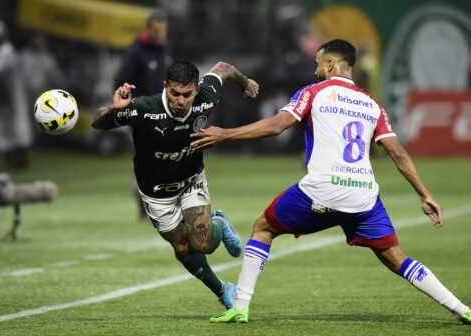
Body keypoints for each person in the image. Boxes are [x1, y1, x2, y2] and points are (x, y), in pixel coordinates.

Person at [191, 39, 471, 324]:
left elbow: (276, 125)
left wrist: (225, 134)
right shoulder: (372, 104)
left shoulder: (314, 92)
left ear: (329, 64)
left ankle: (240, 307)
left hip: (322, 191)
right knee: (398, 259)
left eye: (317, 63)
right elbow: (397, 152)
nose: (315, 71)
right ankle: (461, 308)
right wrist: (425, 195)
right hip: (363, 197)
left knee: (263, 228)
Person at [92, 60, 259, 308]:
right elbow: (97, 122)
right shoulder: (144, 108)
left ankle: (220, 223)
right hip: (156, 192)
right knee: (182, 247)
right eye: (174, 94)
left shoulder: (207, 96)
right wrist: (114, 110)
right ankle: (223, 290)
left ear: (196, 90)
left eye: (187, 95)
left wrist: (246, 82)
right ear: (165, 88)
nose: (180, 101)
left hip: (191, 180)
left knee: (202, 244)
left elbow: (222, 68)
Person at [114, 10, 173, 220]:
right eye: (158, 31)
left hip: (165, 114)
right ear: (149, 29)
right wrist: (134, 109)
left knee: (164, 160)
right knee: (148, 160)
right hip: (143, 116)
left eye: (164, 30)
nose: (162, 35)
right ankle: (144, 207)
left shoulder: (164, 49)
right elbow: (121, 82)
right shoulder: (136, 52)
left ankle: (159, 204)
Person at [0, 20, 33, 170]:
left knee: (17, 129)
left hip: (13, 96)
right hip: (2, 97)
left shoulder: (6, 50)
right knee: (5, 130)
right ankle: (11, 161)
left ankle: (20, 160)